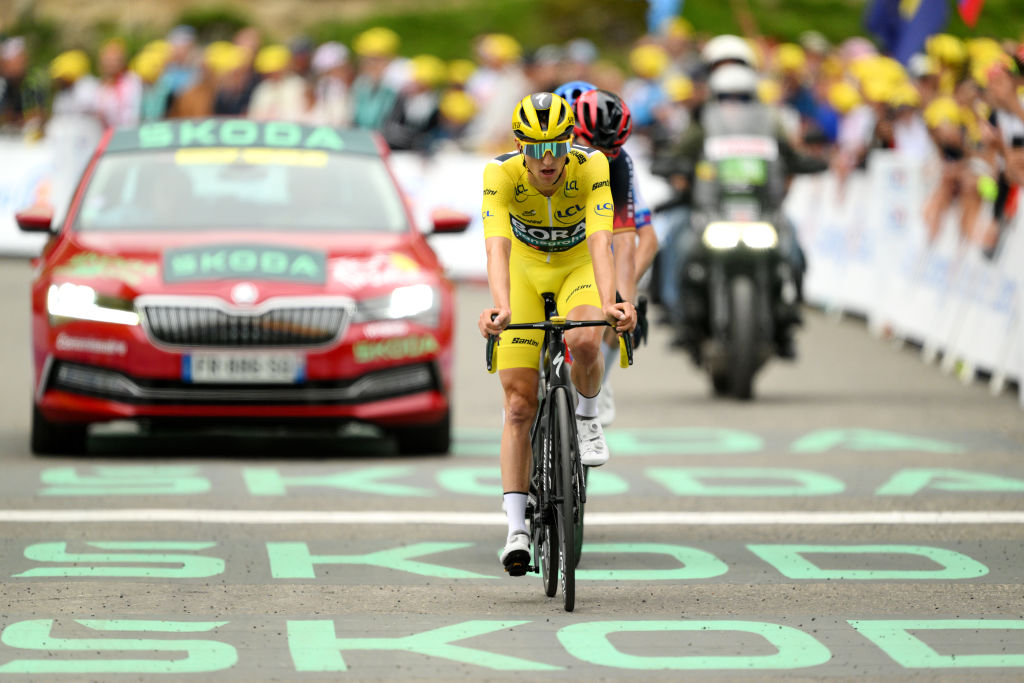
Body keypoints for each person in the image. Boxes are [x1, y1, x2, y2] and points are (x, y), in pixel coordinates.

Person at [477, 92, 636, 574]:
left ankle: (586, 416)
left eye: (557, 146)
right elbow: (497, 249)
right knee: (520, 404)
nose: (547, 159)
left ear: (570, 142)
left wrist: (612, 304)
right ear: (520, 144)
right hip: (524, 273)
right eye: (536, 147)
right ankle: (516, 531)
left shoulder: (591, 168)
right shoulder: (499, 174)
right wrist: (500, 308)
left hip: (577, 267)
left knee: (586, 338)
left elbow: (601, 241)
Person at [653, 62, 826, 358]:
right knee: (678, 243)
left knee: (792, 246)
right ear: (715, 98)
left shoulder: (770, 123)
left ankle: (791, 310)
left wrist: (806, 161)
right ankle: (677, 311)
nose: (734, 104)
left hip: (761, 210)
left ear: (753, 98)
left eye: (742, 97)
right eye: (726, 97)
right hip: (712, 210)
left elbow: (788, 154)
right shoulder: (703, 123)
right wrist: (671, 162)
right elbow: (680, 152)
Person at [571, 87, 658, 425]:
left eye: (610, 149)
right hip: (556, 243)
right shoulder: (547, 154)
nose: (600, 155)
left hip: (599, 239)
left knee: (618, 295)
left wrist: (624, 301)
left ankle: (599, 384)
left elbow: (627, 241)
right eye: (592, 146)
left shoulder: (618, 163)